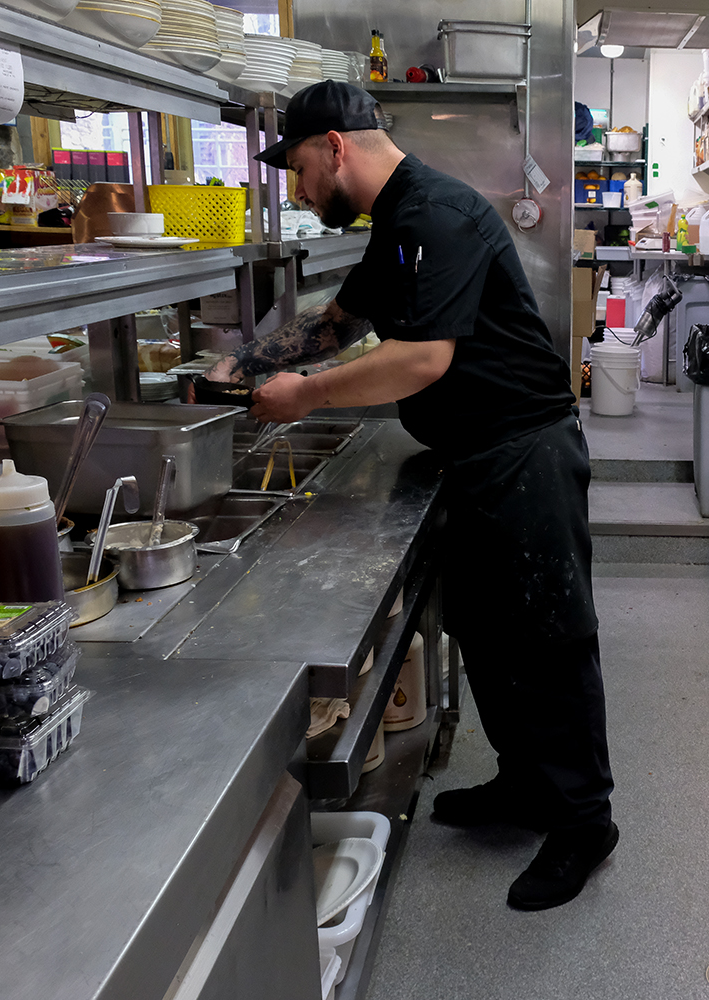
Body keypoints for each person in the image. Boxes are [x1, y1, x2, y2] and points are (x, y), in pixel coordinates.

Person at [205, 81, 617, 911]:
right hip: (474, 456)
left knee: (547, 639)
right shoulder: (396, 220)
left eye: (297, 169)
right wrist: (245, 363)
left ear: (335, 147)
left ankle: (584, 821)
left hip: (524, 454)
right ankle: (526, 785)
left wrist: (307, 395)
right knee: (491, 635)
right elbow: (344, 321)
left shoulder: (436, 214)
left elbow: (422, 359)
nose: (297, 188)